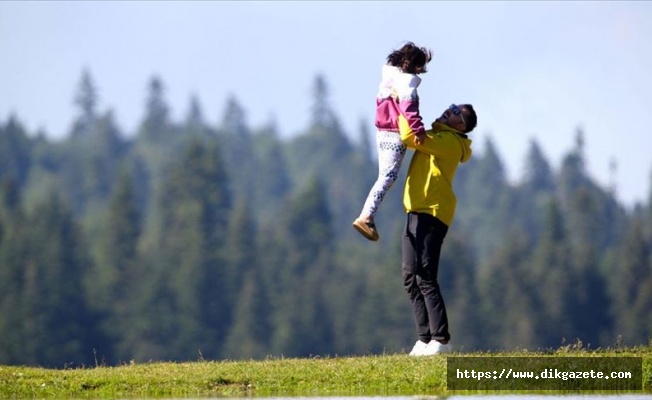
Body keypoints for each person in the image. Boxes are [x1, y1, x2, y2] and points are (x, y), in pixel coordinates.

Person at [398, 103, 477, 356]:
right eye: (452, 106)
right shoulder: (436, 136)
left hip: (432, 213)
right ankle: (425, 339)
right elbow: (414, 135)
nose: (450, 110)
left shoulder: (451, 142)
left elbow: (409, 136)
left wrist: (402, 106)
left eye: (457, 112)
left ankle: (441, 339)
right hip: (416, 212)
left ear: (461, 126)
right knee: (411, 277)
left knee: (425, 276)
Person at [353, 42, 432, 241]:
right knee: (387, 176)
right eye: (419, 68)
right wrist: (419, 131)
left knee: (385, 175)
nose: (420, 73)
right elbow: (409, 108)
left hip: (381, 130)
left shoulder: (388, 77)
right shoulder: (406, 82)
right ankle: (366, 216)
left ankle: (367, 215)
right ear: (411, 65)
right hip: (395, 132)